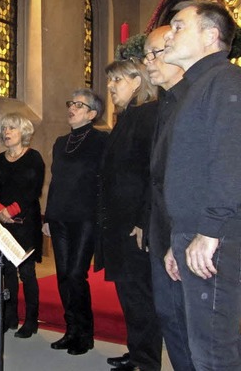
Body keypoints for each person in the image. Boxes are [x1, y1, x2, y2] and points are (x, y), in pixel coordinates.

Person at [162, 0, 241, 370]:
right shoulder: (197, 85)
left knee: (212, 349)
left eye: (179, 26)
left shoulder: (226, 80)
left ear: (211, 36)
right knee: (198, 343)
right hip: (194, 233)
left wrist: (208, 232)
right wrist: (178, 239)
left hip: (215, 235)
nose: (170, 34)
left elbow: (231, 161)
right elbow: (190, 172)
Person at [96, 59, 162, 371]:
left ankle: (146, 361)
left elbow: (154, 173)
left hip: (133, 224)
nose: (110, 88)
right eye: (110, 82)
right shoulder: (128, 116)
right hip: (119, 223)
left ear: (137, 81)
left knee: (139, 295)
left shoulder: (149, 114)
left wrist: (142, 220)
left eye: (116, 81)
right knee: (128, 293)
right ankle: (137, 352)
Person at [142, 25, 195, 371]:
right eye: (145, 54)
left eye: (155, 53)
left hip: (187, 232)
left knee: (191, 324)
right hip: (163, 228)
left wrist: (180, 236)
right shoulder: (166, 103)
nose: (147, 62)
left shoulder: (195, 100)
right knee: (169, 317)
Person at [42, 89, 108, 355]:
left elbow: (105, 181)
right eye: (71, 103)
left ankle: (85, 333)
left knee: (76, 275)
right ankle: (70, 330)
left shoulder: (101, 141)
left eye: (79, 105)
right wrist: (48, 216)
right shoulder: (60, 142)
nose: (72, 108)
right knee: (62, 275)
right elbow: (55, 182)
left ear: (92, 114)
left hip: (86, 219)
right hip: (59, 217)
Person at [0, 112, 44, 338]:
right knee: (7, 272)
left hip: (25, 223)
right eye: (4, 128)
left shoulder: (33, 158)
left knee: (27, 272)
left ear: (24, 132)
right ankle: (10, 316)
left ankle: (31, 321)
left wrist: (11, 210)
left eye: (11, 128)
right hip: (3, 225)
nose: (6, 132)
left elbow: (33, 190)